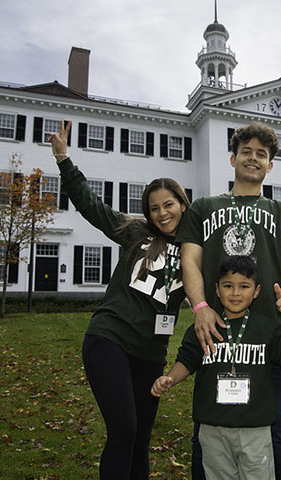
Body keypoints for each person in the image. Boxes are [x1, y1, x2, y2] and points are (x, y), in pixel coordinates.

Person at [49, 121, 191, 479]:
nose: (162, 213)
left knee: (140, 440)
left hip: (151, 354)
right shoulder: (135, 233)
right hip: (109, 340)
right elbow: (92, 206)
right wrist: (65, 160)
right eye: (155, 208)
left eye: (169, 204)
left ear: (182, 205)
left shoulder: (196, 252)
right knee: (124, 430)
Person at [175, 122, 281, 479]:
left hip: (272, 336)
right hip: (217, 337)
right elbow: (191, 260)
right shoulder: (203, 207)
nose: (253, 158)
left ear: (270, 166)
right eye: (246, 152)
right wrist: (200, 307)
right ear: (233, 158)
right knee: (207, 432)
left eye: (261, 154)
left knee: (278, 431)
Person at [151, 256, 281, 479]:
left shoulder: (267, 328)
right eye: (228, 286)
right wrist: (170, 379)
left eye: (244, 286)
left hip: (255, 429)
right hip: (213, 429)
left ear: (256, 291)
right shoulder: (204, 327)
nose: (235, 293)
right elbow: (186, 360)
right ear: (217, 289)